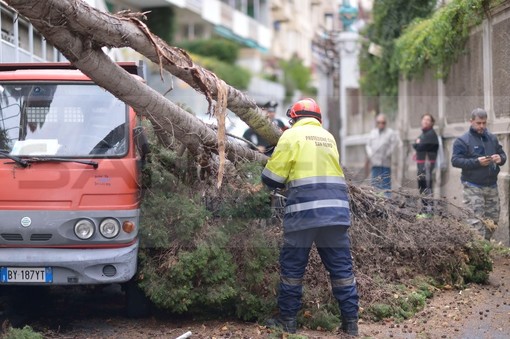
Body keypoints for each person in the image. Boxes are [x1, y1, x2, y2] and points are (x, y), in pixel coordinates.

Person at [261, 98, 359, 336]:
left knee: (293, 270)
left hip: (304, 214)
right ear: (317, 119)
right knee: (342, 270)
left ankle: (288, 322)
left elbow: (271, 179)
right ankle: (351, 324)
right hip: (335, 213)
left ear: (293, 118)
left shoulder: (290, 136)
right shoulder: (328, 137)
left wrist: (273, 158)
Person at [451, 108, 507, 240]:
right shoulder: (462, 140)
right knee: (475, 222)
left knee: (492, 222)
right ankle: (478, 253)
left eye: (484, 123)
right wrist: (476, 162)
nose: (482, 126)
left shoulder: (492, 138)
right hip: (472, 186)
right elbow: (455, 161)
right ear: (471, 122)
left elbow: (502, 154)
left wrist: (500, 159)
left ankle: (484, 248)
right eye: (478, 123)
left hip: (491, 186)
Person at [365, 114, 401, 196]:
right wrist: (370, 155)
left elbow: (394, 144)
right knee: (375, 183)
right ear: (376, 123)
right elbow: (368, 145)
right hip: (375, 162)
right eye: (379, 122)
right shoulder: (373, 133)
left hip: (385, 162)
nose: (381, 124)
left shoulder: (390, 133)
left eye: (383, 122)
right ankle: (375, 200)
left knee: (386, 184)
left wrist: (389, 153)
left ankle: (387, 202)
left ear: (386, 123)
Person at [412, 114, 439, 218]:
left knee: (427, 188)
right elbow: (415, 145)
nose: (426, 121)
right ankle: (424, 211)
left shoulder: (431, 134)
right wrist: (417, 143)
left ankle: (428, 212)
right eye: (424, 119)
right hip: (422, 165)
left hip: (427, 166)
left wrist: (418, 143)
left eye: (428, 120)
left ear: (432, 123)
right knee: (422, 188)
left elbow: (420, 146)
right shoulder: (424, 134)